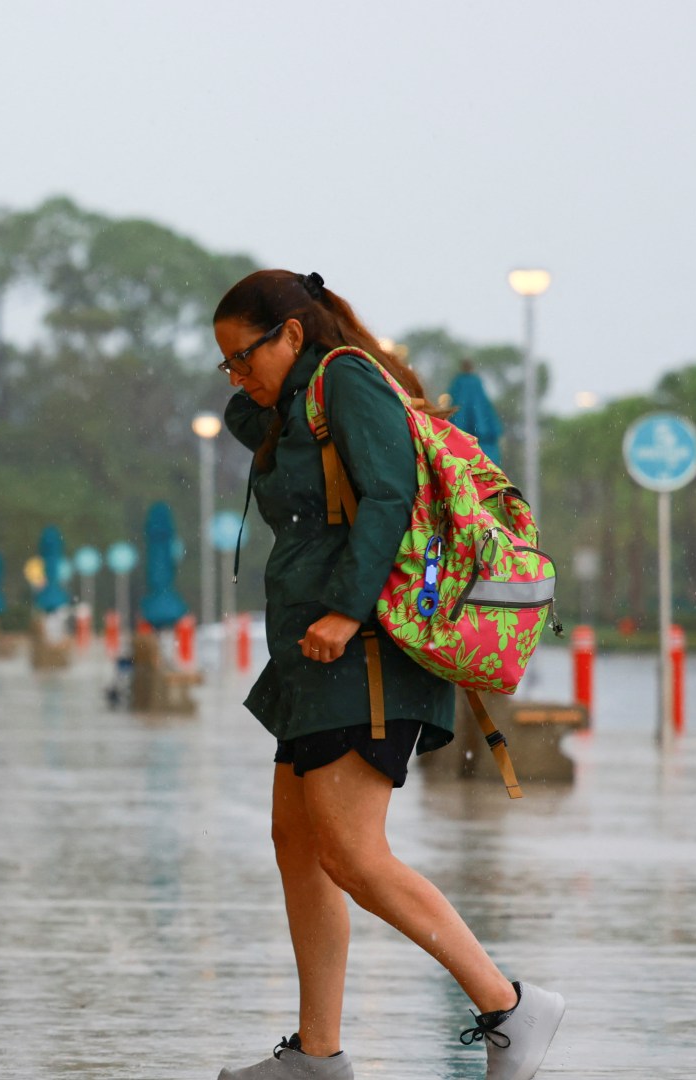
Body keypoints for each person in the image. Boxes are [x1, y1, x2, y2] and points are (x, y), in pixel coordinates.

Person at [212, 270, 564, 1080]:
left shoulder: (348, 382)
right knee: (297, 845)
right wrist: (257, 378)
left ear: (293, 335)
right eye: (224, 363)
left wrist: (344, 608)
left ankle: (509, 1007)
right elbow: (243, 415)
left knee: (352, 852)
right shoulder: (293, 403)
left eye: (244, 356)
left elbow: (389, 497)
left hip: (363, 648)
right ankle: (318, 1054)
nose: (236, 377)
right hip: (311, 656)